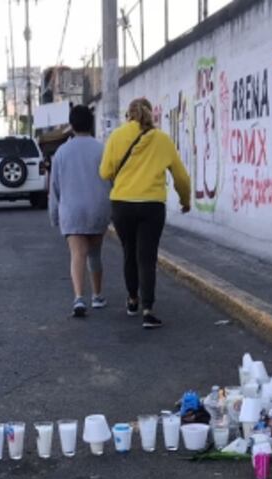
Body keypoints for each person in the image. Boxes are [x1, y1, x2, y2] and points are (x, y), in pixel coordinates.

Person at [99, 97, 191, 329]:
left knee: (129, 252)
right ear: (151, 114)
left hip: (122, 204)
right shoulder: (162, 139)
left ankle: (132, 300)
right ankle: (148, 310)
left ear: (128, 115)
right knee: (147, 257)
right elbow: (181, 176)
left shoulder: (117, 136)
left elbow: (104, 171)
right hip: (152, 205)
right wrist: (185, 200)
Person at [48, 105, 112, 317]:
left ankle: (78, 298)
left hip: (72, 210)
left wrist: (54, 215)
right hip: (98, 208)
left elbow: (54, 187)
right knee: (94, 254)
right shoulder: (102, 149)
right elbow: (111, 180)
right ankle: (97, 295)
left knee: (77, 254)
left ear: (72, 125)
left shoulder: (61, 152)